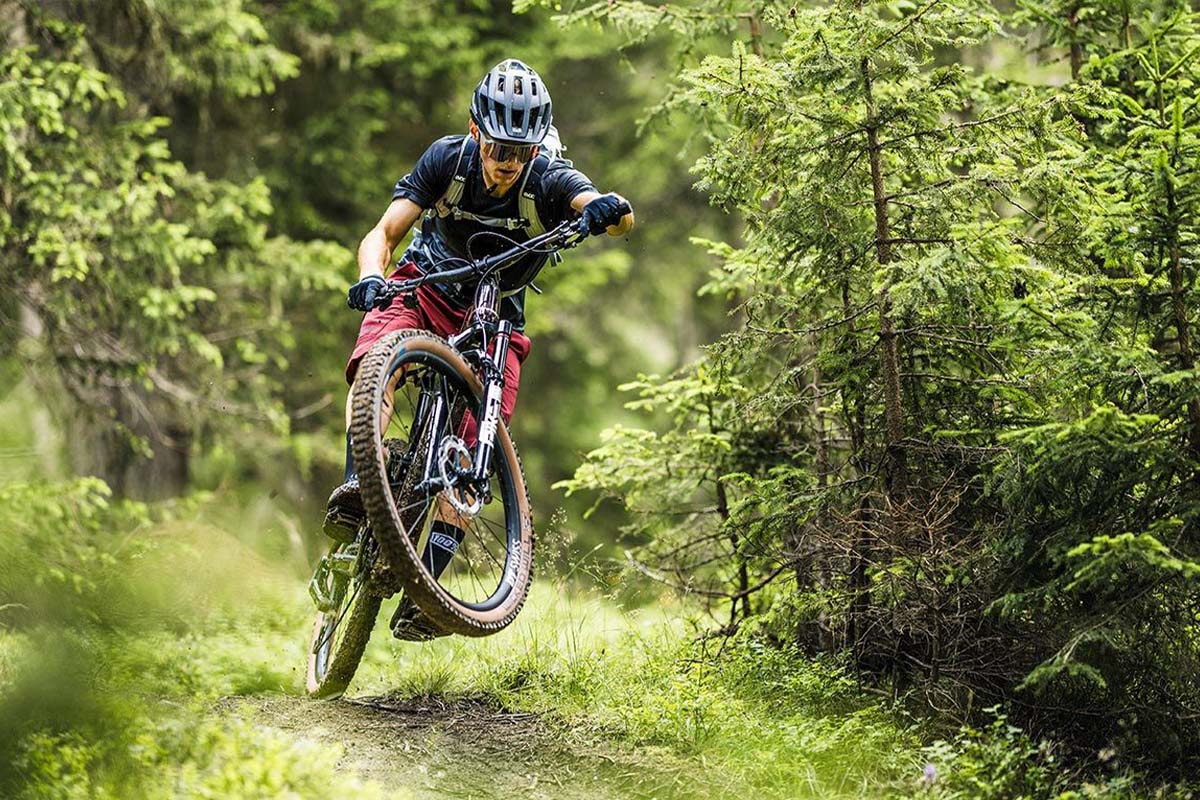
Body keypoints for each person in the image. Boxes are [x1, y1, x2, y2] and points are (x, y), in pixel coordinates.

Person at [323, 59, 634, 634]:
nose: (508, 162)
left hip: (497, 315)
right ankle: (357, 483)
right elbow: (385, 232)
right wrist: (371, 274)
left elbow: (600, 206)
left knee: (479, 443)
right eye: (498, 148)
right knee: (376, 359)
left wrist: (607, 212)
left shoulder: (547, 177)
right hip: (426, 285)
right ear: (475, 131)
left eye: (521, 150)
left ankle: (431, 585)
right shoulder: (447, 160)